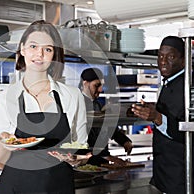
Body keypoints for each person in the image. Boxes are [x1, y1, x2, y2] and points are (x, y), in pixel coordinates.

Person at [0, 20, 89, 194]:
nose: (40, 54)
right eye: (33, 46)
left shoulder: (72, 96)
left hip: (58, 187)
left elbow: (81, 148)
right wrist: (6, 144)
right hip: (15, 188)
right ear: (22, 49)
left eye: (48, 49)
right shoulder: (3, 99)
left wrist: (76, 159)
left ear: (54, 54)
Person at [131, 36, 192, 194]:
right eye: (160, 56)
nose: (163, 61)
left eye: (170, 56)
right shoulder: (168, 82)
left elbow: (189, 130)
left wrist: (157, 118)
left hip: (180, 175)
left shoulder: (189, 85)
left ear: (183, 60)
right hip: (163, 174)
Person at [79, 68, 133, 165]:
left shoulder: (98, 105)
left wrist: (124, 141)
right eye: (97, 85)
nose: (100, 89)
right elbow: (84, 140)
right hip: (85, 162)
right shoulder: (76, 104)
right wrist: (106, 156)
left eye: (102, 85)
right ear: (85, 84)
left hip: (101, 161)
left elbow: (109, 127)